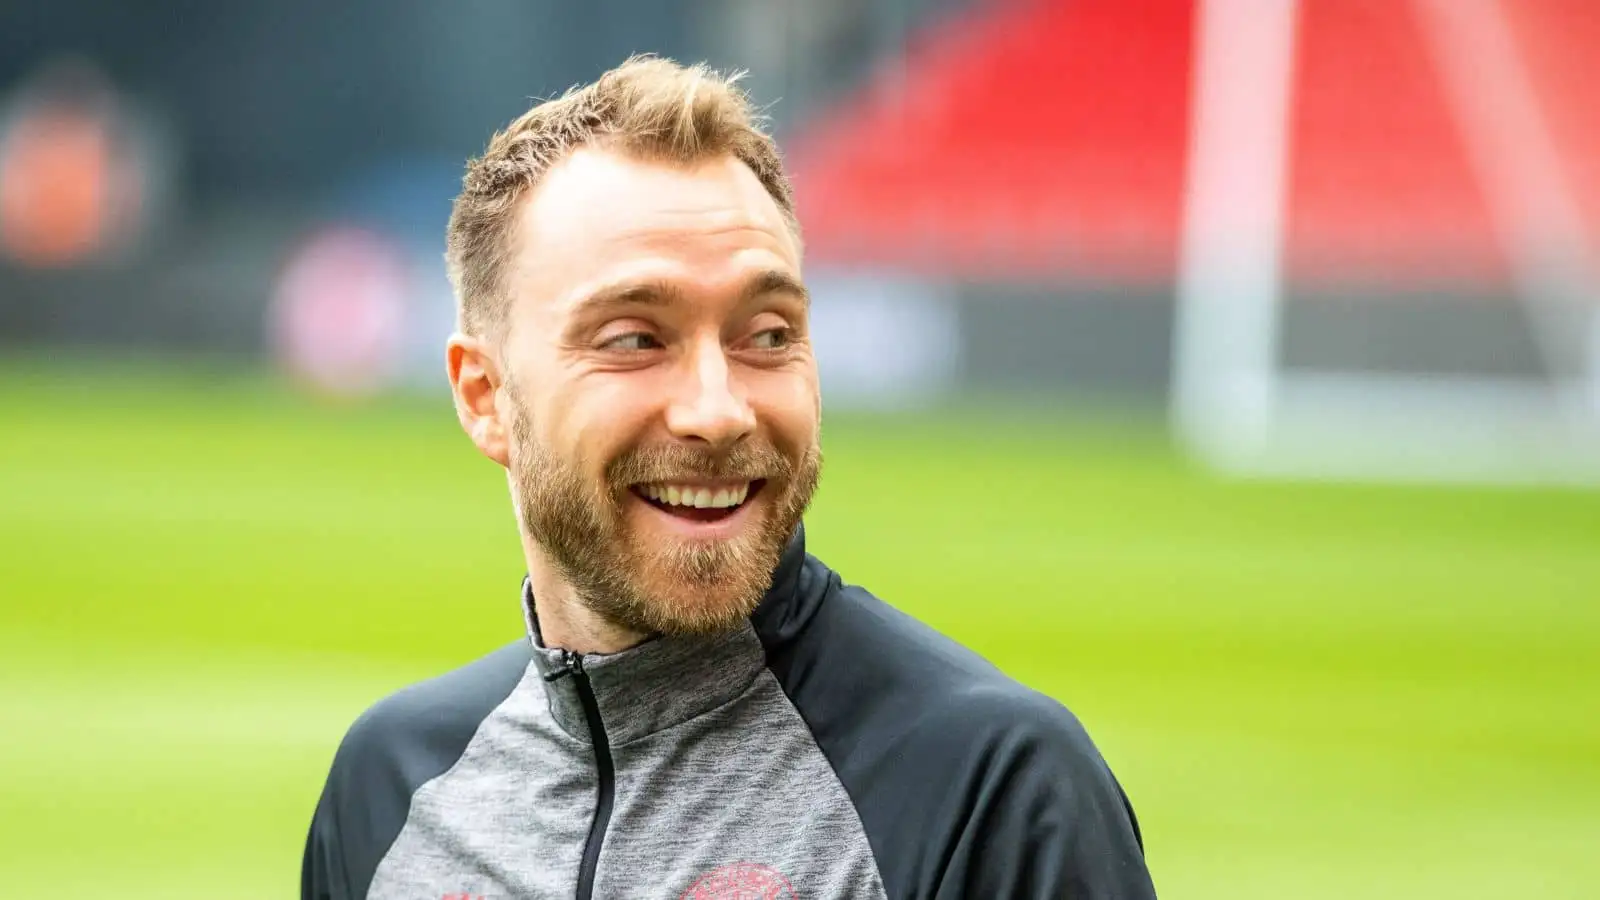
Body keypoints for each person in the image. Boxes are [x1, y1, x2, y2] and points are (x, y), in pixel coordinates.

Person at [301, 55, 1156, 900]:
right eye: (635, 338)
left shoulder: (990, 790)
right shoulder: (392, 792)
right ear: (486, 398)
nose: (719, 410)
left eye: (768, 333)